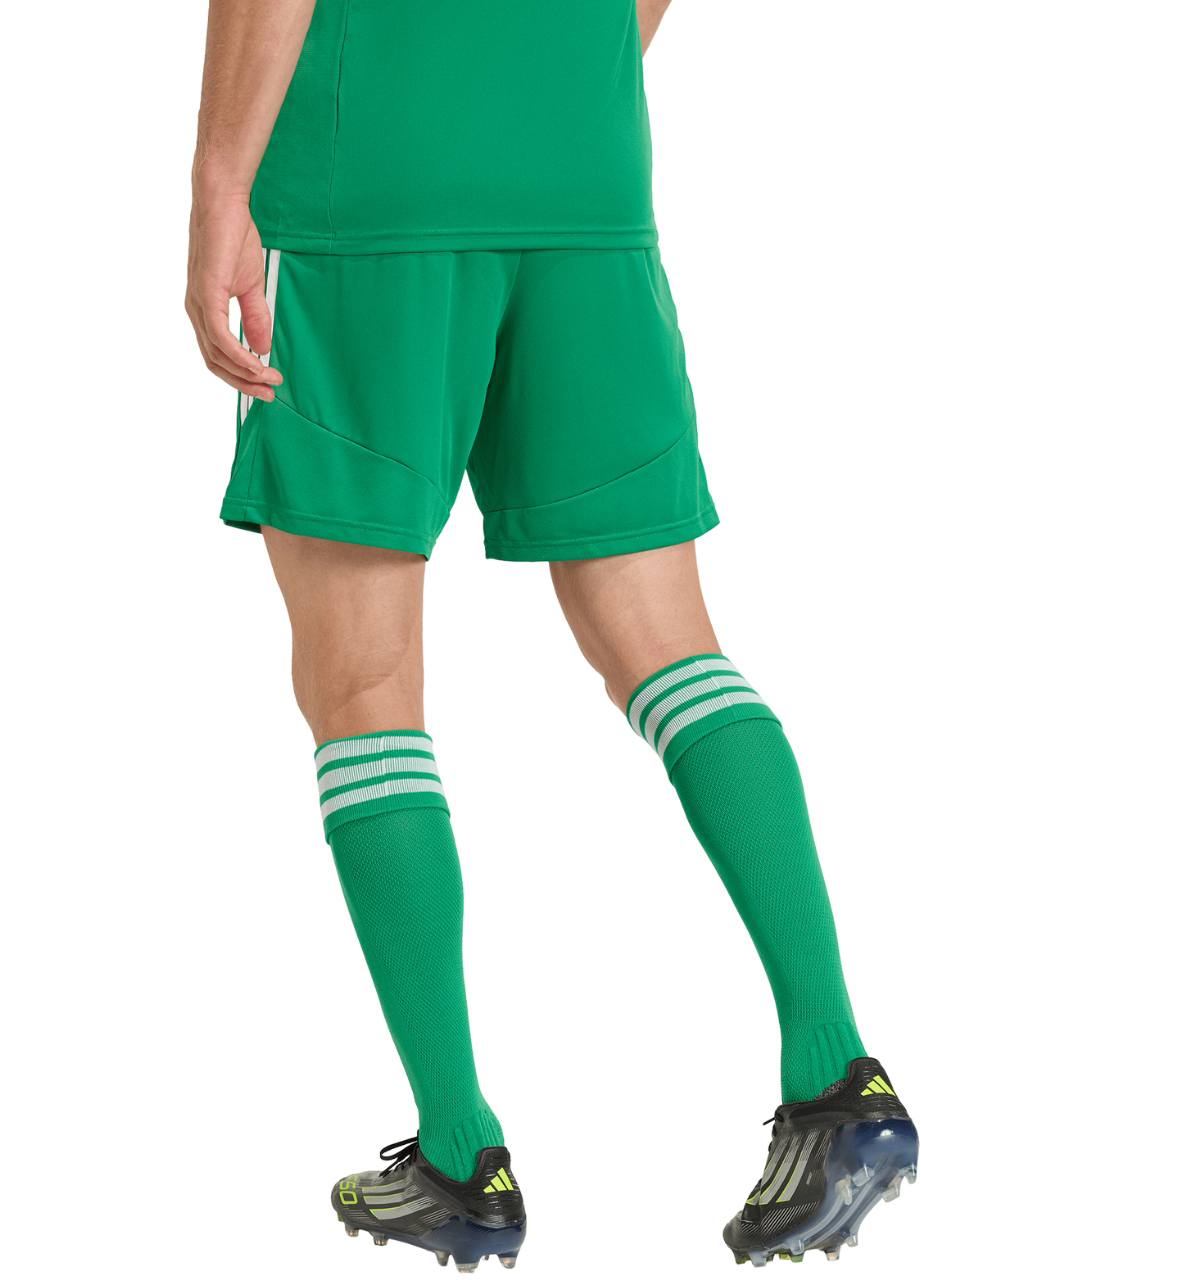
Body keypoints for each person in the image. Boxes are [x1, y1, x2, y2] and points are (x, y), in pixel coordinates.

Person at [185, 0, 918, 1269]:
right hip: (585, 173)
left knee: (364, 688)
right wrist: (552, 85)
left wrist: (219, 189)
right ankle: (835, 1075)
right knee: (669, 642)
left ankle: (462, 1154)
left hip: (372, 187)